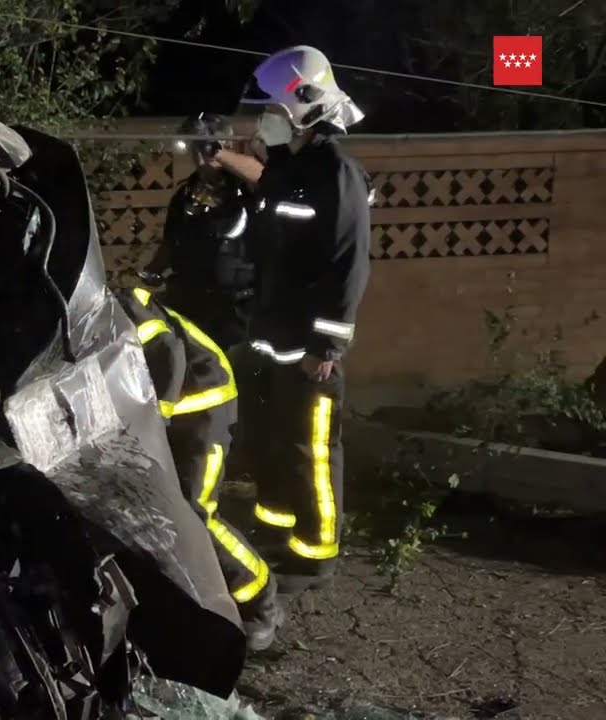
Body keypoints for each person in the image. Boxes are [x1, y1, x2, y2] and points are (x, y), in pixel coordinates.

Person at [226, 45, 372, 594]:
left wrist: (327, 347)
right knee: (271, 440)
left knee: (312, 448)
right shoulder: (287, 172)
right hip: (270, 340)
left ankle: (316, 552)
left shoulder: (338, 173)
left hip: (309, 351)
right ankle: (276, 526)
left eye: (272, 111)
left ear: (306, 107)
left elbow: (348, 266)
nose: (264, 121)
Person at [117, 285, 284, 652]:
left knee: (194, 513)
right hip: (176, 412)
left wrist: (151, 423)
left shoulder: (116, 307)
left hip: (204, 404)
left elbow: (167, 356)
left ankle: (261, 599)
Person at [141, 114, 259, 353]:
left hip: (234, 307)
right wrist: (152, 271)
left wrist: (217, 152)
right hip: (190, 301)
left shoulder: (244, 189)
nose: (199, 154)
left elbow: (263, 176)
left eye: (203, 146)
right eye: (194, 147)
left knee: (231, 371)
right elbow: (171, 241)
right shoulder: (185, 194)